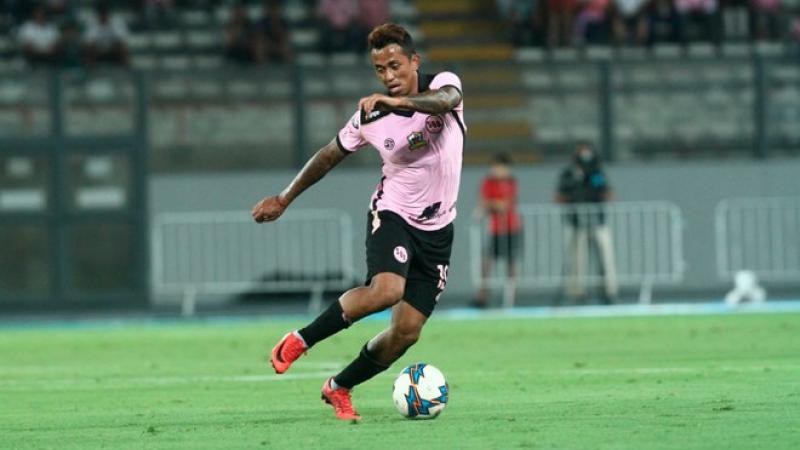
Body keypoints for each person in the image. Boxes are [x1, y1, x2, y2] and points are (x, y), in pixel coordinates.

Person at [251, 23, 465, 421]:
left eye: (395, 66)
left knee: (407, 332)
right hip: (393, 213)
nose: (389, 76)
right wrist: (284, 198)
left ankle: (339, 387)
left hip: (438, 230)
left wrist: (397, 103)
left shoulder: (443, 84)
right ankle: (300, 339)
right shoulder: (370, 116)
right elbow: (328, 155)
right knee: (386, 290)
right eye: (380, 70)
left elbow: (445, 100)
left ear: (414, 62)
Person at [554, 143, 618, 305]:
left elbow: (608, 193)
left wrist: (594, 193)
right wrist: (576, 195)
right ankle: (577, 292)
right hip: (576, 223)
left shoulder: (596, 172)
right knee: (577, 260)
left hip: (598, 222)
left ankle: (608, 291)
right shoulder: (569, 174)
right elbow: (558, 197)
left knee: (606, 259)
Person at [473, 153, 522, 309]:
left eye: (500, 167)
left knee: (511, 263)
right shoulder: (488, 182)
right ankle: (482, 296)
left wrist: (493, 204)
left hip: (512, 227)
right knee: (486, 261)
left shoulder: (511, 182)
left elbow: (508, 203)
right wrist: (494, 204)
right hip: (495, 229)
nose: (497, 170)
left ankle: (511, 297)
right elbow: (484, 202)